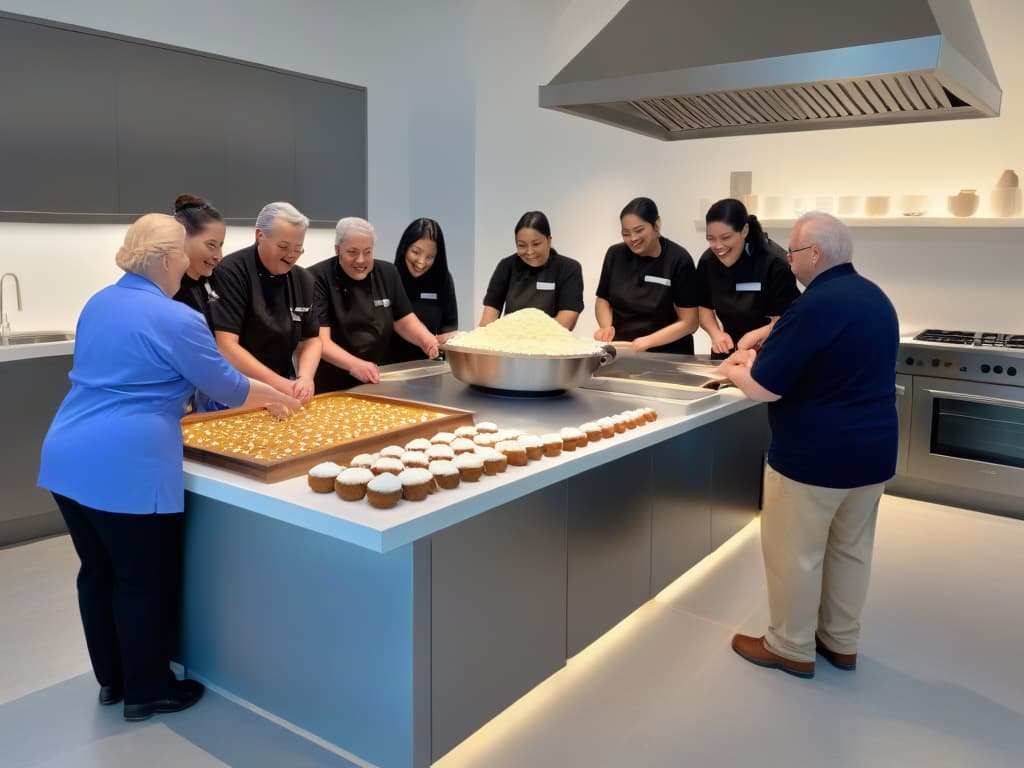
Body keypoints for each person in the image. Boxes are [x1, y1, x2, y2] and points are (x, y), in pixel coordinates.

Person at [37, 214, 300, 721]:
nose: (191, 260)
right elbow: (226, 385)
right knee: (140, 580)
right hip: (125, 464)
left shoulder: (100, 301)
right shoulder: (176, 317)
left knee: (97, 573)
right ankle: (149, 689)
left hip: (67, 454)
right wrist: (277, 396)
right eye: (184, 251)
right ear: (164, 259)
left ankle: (112, 680)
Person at [718, 212, 899, 679]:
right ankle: (840, 642)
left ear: (813, 254)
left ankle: (789, 645)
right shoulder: (876, 298)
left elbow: (764, 388)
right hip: (873, 454)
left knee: (795, 552)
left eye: (793, 252)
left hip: (814, 457)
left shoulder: (813, 305)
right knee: (850, 549)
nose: (789, 260)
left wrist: (735, 370)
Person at [208, 201, 321, 404]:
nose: (291, 256)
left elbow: (311, 339)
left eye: (298, 249)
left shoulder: (303, 280)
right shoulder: (231, 273)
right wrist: (277, 384)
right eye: (284, 247)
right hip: (234, 387)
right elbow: (225, 345)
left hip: (282, 383)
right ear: (260, 236)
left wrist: (305, 378)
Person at [311, 216, 440, 391]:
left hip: (377, 377)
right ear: (337, 249)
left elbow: (404, 320)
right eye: (352, 252)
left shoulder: (387, 273)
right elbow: (321, 342)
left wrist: (426, 340)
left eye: (367, 252)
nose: (361, 260)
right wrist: (355, 365)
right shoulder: (316, 278)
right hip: (331, 383)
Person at [593, 197, 699, 353]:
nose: (633, 238)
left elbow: (690, 323)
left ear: (657, 225)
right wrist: (606, 328)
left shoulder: (679, 259)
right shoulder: (614, 254)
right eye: (626, 233)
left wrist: (649, 341)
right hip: (624, 350)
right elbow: (603, 301)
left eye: (639, 230)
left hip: (668, 353)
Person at [698, 198, 800, 357]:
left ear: (744, 230)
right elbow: (704, 307)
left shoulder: (774, 263)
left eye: (726, 237)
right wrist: (716, 334)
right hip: (729, 349)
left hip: (771, 352)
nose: (718, 246)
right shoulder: (707, 262)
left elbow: (788, 319)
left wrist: (759, 334)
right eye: (711, 239)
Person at [480, 211, 583, 330]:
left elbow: (564, 323)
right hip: (509, 343)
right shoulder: (506, 266)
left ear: (549, 240)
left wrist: (520, 332)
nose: (529, 252)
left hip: (551, 344)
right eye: (522, 245)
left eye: (536, 244)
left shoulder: (568, 269)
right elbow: (487, 321)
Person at [389, 217, 459, 363]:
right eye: (415, 252)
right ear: (404, 248)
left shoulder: (443, 280)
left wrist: (440, 342)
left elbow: (449, 328)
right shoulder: (388, 277)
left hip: (426, 364)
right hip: (388, 366)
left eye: (430, 257)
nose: (421, 262)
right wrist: (432, 339)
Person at [171, 193, 225, 324]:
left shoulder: (215, 279)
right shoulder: (169, 290)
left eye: (220, 245)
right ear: (183, 238)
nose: (219, 256)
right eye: (211, 245)